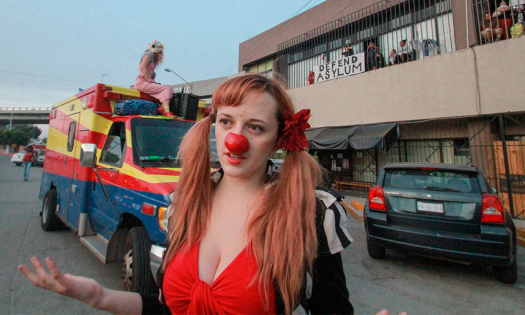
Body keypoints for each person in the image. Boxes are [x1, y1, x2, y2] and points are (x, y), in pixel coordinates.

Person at [18, 75, 367, 314]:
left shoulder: (309, 215)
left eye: (255, 127)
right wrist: (97, 295)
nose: (235, 139)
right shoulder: (187, 202)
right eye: (227, 122)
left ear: (279, 138)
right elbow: (167, 308)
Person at [134, 40, 175, 117]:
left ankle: (163, 106)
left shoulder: (152, 57)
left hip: (145, 82)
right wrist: (149, 80)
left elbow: (149, 71)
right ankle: (165, 110)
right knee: (167, 88)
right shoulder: (149, 54)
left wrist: (152, 78)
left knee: (172, 90)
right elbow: (143, 66)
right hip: (141, 82)